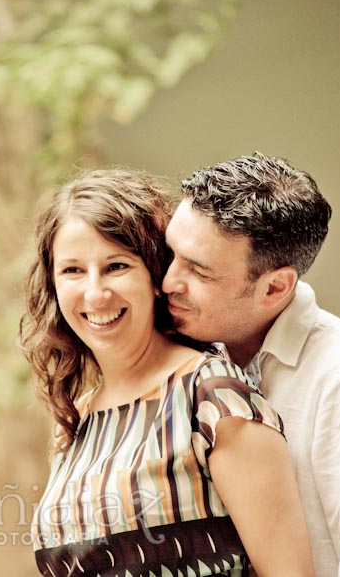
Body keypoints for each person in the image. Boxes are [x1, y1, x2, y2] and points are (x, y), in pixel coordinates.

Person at [18, 168, 314, 577]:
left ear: (155, 275)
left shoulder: (213, 396)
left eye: (116, 266)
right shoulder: (76, 419)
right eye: (72, 270)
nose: (95, 293)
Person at [162, 152, 340, 577]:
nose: (168, 281)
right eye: (171, 254)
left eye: (198, 271)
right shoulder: (188, 360)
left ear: (275, 287)